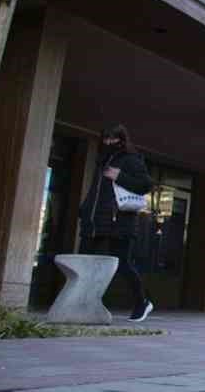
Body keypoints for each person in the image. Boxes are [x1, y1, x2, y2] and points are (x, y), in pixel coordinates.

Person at [78, 125, 154, 322]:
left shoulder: (131, 159)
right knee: (86, 264)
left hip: (119, 222)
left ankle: (142, 302)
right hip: (95, 221)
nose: (109, 143)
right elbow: (96, 192)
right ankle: (86, 304)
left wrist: (119, 176)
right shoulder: (102, 161)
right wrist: (85, 210)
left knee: (123, 264)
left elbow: (146, 185)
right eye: (106, 139)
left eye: (113, 139)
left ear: (122, 140)